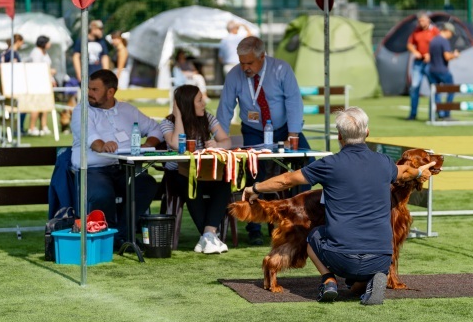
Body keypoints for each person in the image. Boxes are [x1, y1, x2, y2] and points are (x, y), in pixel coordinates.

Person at [242, 106, 436, 305]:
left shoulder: (329, 165)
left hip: (342, 260)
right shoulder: (385, 163)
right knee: (363, 273)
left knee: (313, 235)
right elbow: (405, 172)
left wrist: (255, 188)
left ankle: (329, 280)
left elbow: (286, 181)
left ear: (339, 137)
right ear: (367, 132)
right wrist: (421, 173)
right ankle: (370, 279)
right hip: (381, 259)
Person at [216, 36, 311, 245]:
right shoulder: (234, 75)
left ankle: (298, 216)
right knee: (253, 170)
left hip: (285, 129)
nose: (245, 67)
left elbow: (294, 101)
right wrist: (219, 140)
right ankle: (254, 226)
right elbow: (225, 108)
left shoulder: (281, 69)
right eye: (242, 62)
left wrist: (293, 133)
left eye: (249, 63)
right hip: (253, 131)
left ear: (262, 56)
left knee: (307, 163)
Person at [70, 69, 163, 249]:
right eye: (88, 88)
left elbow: (156, 129)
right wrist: (102, 145)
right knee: (103, 193)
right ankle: (110, 237)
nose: (89, 93)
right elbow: (90, 138)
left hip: (123, 168)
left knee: (146, 184)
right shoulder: (81, 111)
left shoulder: (127, 110)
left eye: (95, 90)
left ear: (110, 92)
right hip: (93, 170)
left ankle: (123, 234)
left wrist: (148, 144)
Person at [160, 84, 232, 254]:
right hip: (178, 174)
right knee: (188, 183)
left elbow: (227, 142)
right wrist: (178, 115)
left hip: (204, 172)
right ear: (187, 104)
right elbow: (177, 144)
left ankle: (208, 234)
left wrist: (217, 144)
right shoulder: (167, 123)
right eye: (199, 100)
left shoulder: (208, 118)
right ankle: (210, 235)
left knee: (224, 182)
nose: (204, 103)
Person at [405, 12, 440, 120]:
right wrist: (415, 52)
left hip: (431, 63)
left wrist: (430, 54)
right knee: (414, 87)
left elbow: (439, 45)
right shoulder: (416, 31)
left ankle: (434, 114)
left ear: (428, 20)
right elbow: (409, 44)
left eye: (423, 20)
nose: (421, 23)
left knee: (434, 88)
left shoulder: (434, 31)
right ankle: (412, 114)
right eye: (419, 21)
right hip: (418, 63)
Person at [428, 22, 460, 120]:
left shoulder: (433, 40)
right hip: (442, 70)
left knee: (435, 93)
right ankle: (446, 114)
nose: (451, 36)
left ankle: (435, 115)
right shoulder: (444, 41)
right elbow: (446, 56)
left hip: (432, 70)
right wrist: (454, 55)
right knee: (452, 90)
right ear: (447, 31)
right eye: (451, 33)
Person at [27, 35, 57, 136]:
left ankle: (44, 126)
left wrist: (51, 79)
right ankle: (32, 128)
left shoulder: (45, 53)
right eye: (48, 42)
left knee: (45, 105)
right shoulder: (36, 52)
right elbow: (37, 68)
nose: (50, 44)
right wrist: (50, 71)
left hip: (45, 82)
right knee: (36, 105)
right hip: (37, 83)